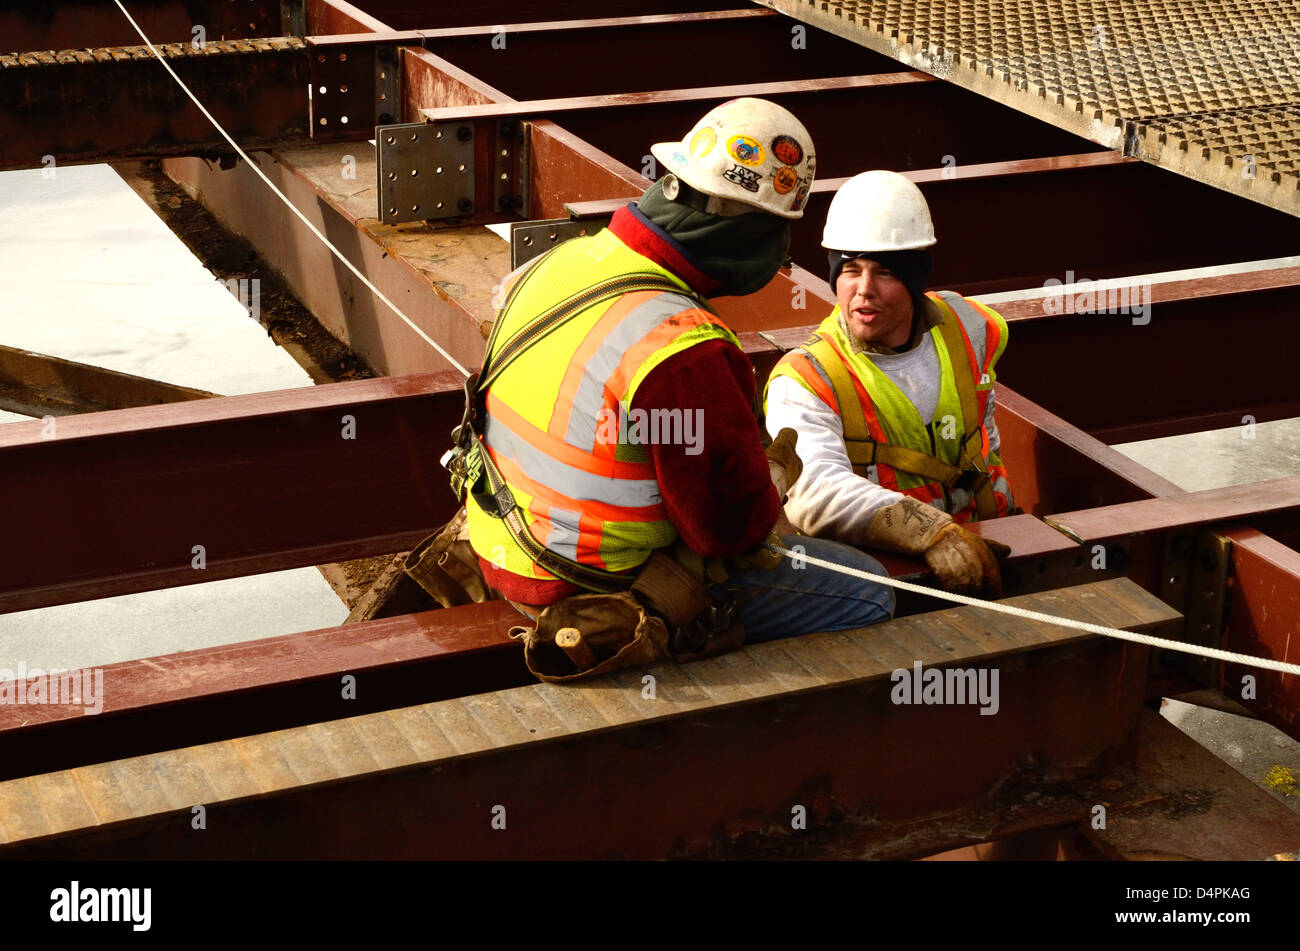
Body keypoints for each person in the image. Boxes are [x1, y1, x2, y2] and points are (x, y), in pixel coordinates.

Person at [458, 99, 894, 650]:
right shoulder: (680, 348)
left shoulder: (554, 264)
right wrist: (772, 481)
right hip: (587, 587)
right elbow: (725, 532)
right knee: (871, 589)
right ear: (751, 233)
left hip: (503, 542)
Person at [764, 170, 1013, 597]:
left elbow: (984, 434)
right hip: (880, 580)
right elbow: (815, 490)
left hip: (994, 542)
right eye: (850, 270)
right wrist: (930, 531)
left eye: (884, 273)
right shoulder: (807, 377)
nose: (864, 290)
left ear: (915, 279)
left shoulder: (969, 327)